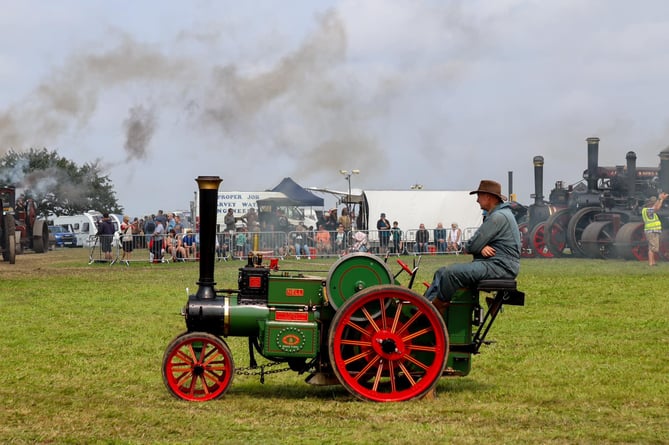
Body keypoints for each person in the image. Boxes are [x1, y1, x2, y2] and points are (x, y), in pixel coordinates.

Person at [424, 180, 520, 312]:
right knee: (441, 273)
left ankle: (434, 311)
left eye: (479, 196)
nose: (477, 200)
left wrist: (478, 246)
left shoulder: (498, 217)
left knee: (450, 273)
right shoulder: (500, 215)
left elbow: (471, 245)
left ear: (488, 197)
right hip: (498, 264)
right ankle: (423, 305)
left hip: (501, 267)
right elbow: (476, 244)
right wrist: (482, 247)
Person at [642, 193, 668, 266]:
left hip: (653, 230)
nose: (654, 205)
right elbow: (656, 208)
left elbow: (656, 207)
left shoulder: (648, 210)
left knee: (652, 247)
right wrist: (660, 199)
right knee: (653, 248)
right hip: (651, 230)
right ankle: (651, 263)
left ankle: (653, 262)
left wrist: (661, 199)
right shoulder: (647, 210)